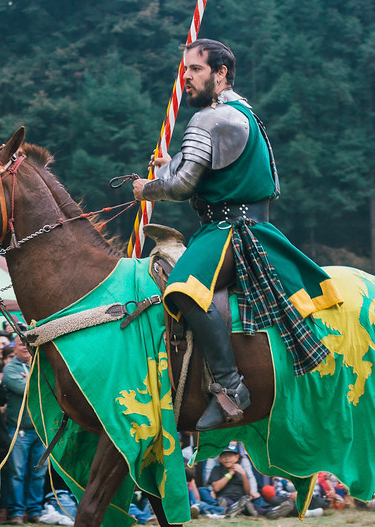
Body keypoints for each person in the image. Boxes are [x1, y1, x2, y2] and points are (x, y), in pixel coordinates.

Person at [132, 39, 341, 429]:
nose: (187, 77)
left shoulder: (211, 118)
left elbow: (181, 188)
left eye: (195, 69)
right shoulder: (240, 113)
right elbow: (215, 173)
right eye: (185, 70)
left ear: (221, 72)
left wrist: (148, 188)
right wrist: (171, 164)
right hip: (240, 224)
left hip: (229, 228)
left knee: (182, 288)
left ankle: (230, 386)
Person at [2, 335, 46, 524]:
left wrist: (31, 379)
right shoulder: (10, 368)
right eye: (21, 344)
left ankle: (35, 511)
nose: (25, 347)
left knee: (39, 472)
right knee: (17, 472)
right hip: (19, 430)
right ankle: (17, 512)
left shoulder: (41, 363)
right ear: (14, 348)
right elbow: (28, 390)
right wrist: (36, 381)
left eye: (28, 344)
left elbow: (50, 386)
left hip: (40, 429)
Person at [206, 444, 258, 517]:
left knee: (250, 503)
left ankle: (269, 511)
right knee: (225, 502)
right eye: (224, 455)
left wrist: (243, 474)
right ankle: (240, 508)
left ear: (237, 457)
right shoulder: (217, 469)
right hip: (225, 497)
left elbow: (247, 492)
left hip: (241, 497)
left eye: (230, 455)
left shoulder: (241, 471)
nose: (227, 458)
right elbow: (216, 488)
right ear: (219, 458)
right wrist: (231, 473)